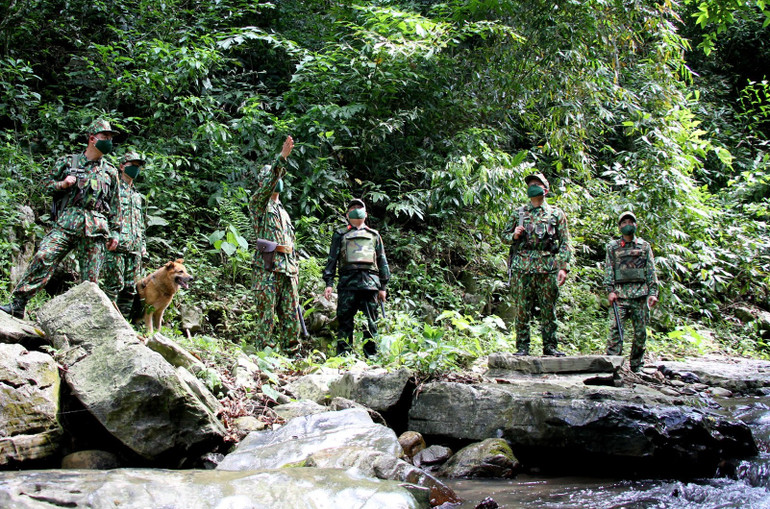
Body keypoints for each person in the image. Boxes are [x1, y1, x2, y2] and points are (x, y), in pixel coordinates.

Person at [1, 119, 122, 319]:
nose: (109, 141)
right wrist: (62, 185)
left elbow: (116, 206)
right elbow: (44, 186)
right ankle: (18, 303)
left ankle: (84, 322)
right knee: (44, 256)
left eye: (110, 138)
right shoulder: (69, 162)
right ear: (92, 138)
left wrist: (116, 232)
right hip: (67, 222)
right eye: (105, 137)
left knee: (90, 282)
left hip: (96, 228)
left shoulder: (110, 171)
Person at [503, 172, 572, 356]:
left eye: (537, 183)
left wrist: (564, 267)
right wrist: (514, 235)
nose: (533, 186)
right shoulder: (519, 213)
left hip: (547, 267)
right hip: (522, 267)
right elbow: (503, 236)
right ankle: (522, 347)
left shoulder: (556, 214)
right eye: (530, 183)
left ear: (545, 189)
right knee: (522, 310)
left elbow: (565, 242)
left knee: (548, 310)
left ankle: (550, 347)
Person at [249, 136, 301, 353]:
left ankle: (292, 354)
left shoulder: (284, 212)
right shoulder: (259, 205)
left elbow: (291, 242)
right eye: (274, 177)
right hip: (267, 269)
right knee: (266, 316)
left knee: (291, 315)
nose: (278, 180)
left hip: (287, 270)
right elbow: (270, 181)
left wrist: (296, 269)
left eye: (280, 176)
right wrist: (282, 159)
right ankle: (264, 355)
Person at [322, 199, 390, 356]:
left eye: (359, 208)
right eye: (352, 208)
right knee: (345, 323)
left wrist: (383, 287)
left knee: (371, 323)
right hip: (347, 285)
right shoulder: (340, 235)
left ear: (365, 214)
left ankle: (371, 357)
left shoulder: (374, 235)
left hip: (370, 285)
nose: (356, 210)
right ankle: (343, 357)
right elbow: (332, 259)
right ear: (347, 215)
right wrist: (329, 283)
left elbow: (382, 261)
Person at [604, 211, 659, 372]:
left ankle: (637, 365)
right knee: (615, 331)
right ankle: (613, 365)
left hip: (640, 296)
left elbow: (651, 271)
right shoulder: (612, 247)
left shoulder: (644, 246)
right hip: (620, 296)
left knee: (641, 333)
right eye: (624, 222)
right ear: (619, 226)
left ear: (635, 225)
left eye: (631, 222)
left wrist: (653, 293)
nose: (627, 224)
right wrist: (610, 290)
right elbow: (609, 269)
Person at [102, 151, 147, 316]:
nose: (135, 169)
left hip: (134, 247)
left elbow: (140, 222)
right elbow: (106, 214)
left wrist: (142, 245)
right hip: (118, 245)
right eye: (132, 165)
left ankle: (123, 322)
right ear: (122, 166)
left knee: (130, 289)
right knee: (113, 285)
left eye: (138, 167)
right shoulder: (114, 189)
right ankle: (106, 320)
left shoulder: (137, 195)